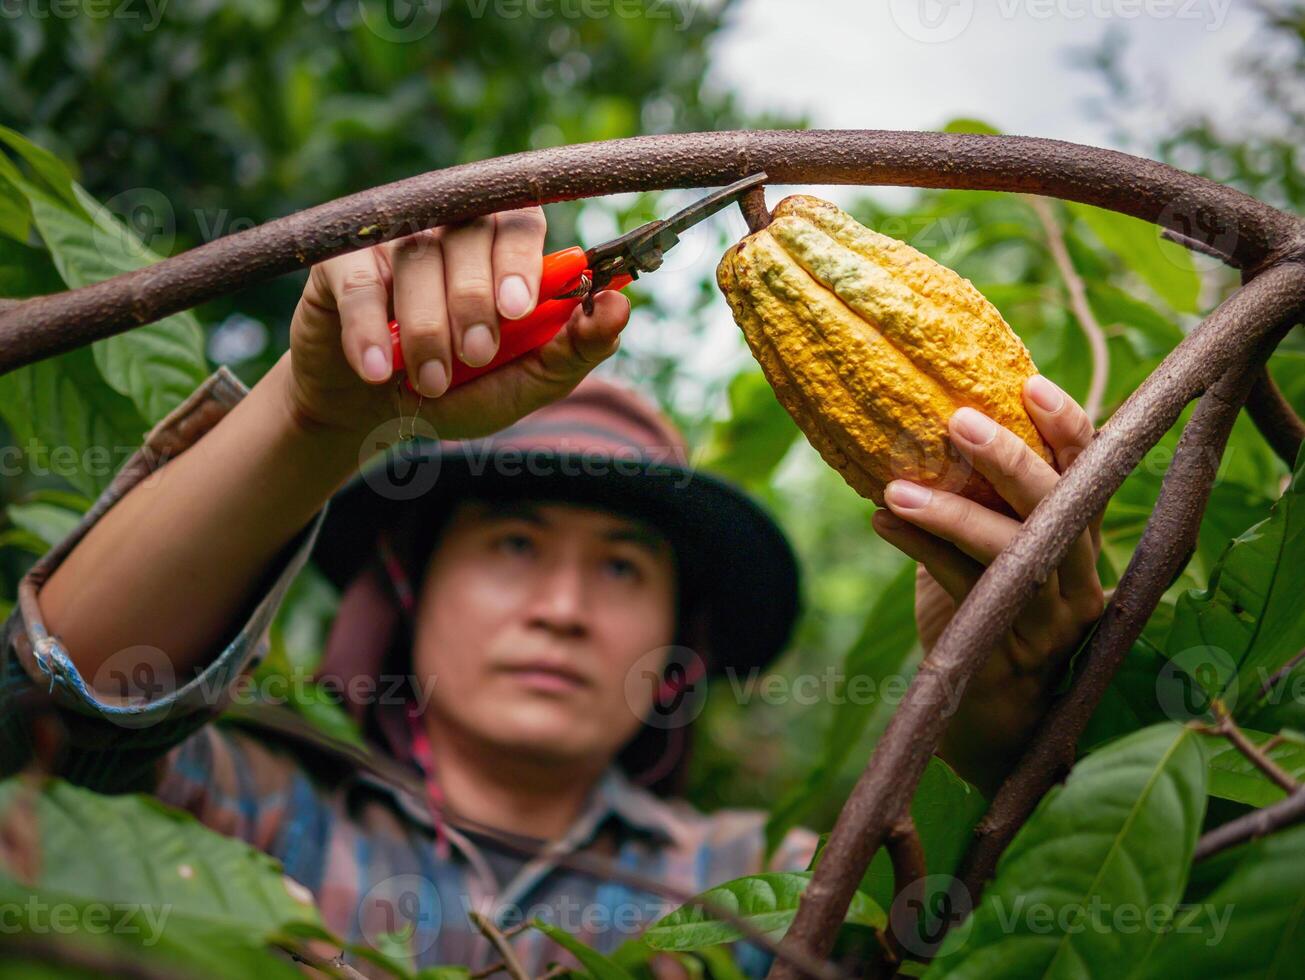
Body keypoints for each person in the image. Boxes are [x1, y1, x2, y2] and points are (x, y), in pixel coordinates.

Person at [1, 206, 1103, 976]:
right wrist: (315, 413)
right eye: (515, 545)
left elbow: (988, 947)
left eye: (622, 566)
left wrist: (996, 736)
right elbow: (39, 721)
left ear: (678, 640)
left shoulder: (766, 882)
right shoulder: (237, 804)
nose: (563, 607)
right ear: (412, 590)